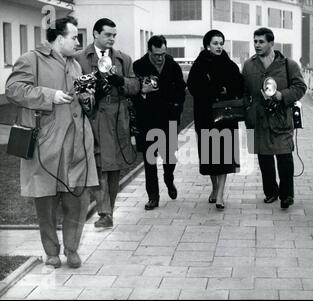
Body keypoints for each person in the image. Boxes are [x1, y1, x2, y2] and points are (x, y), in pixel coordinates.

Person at [5, 16, 99, 268]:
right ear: (59, 38)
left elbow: (81, 102)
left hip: (77, 144)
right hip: (46, 145)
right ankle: (52, 252)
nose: (79, 41)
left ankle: (72, 249)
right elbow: (13, 90)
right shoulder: (31, 59)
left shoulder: (75, 64)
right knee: (45, 202)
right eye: (74, 37)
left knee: (77, 200)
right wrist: (49, 95)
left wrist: (87, 97)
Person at [75, 18, 141, 227]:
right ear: (95, 34)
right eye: (107, 35)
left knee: (113, 166)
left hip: (117, 117)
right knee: (99, 163)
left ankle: (108, 211)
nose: (112, 39)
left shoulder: (123, 59)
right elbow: (72, 86)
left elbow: (136, 86)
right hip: (92, 117)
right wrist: (92, 91)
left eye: (114, 35)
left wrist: (120, 82)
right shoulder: (80, 59)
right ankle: (104, 212)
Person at [242, 28, 306, 209]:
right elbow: (244, 91)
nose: (257, 45)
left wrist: (281, 95)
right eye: (255, 41)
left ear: (271, 43)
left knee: (285, 158)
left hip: (281, 119)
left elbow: (301, 87)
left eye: (261, 42)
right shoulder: (248, 65)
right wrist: (248, 109)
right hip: (258, 120)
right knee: (264, 159)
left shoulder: (288, 64)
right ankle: (270, 192)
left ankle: (287, 195)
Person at [187, 29, 243, 210]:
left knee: (224, 156)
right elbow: (194, 88)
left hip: (226, 117)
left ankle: (220, 195)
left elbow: (239, 86)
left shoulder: (230, 64)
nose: (219, 47)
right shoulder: (199, 65)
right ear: (207, 45)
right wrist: (216, 88)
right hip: (206, 117)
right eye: (215, 43)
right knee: (210, 157)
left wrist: (225, 89)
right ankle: (214, 187)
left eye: (221, 43)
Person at [133, 35, 186, 210]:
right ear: (149, 51)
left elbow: (181, 89)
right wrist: (142, 92)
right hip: (147, 120)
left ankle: (169, 179)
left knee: (169, 158)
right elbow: (133, 94)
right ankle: (153, 197)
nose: (160, 57)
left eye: (163, 53)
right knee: (149, 161)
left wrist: (177, 108)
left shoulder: (172, 65)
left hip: (169, 119)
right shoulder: (138, 66)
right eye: (156, 54)